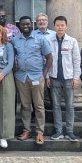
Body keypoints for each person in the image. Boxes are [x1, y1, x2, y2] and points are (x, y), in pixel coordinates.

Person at [12, 16, 53, 146]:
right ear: (19, 26)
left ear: (32, 25)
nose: (25, 26)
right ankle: (26, 130)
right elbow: (12, 57)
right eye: (23, 24)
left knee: (39, 106)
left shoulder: (40, 39)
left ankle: (40, 132)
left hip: (36, 76)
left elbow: (49, 57)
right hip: (21, 77)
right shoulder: (14, 40)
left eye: (28, 24)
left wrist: (44, 74)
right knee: (25, 105)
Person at [47, 16, 81, 142]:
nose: (60, 27)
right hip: (54, 77)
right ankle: (58, 131)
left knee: (70, 106)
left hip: (68, 78)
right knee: (55, 106)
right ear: (54, 26)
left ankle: (70, 131)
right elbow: (46, 59)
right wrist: (47, 76)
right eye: (58, 25)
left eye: (62, 25)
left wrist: (76, 78)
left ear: (66, 26)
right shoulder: (49, 41)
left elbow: (77, 61)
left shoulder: (72, 41)